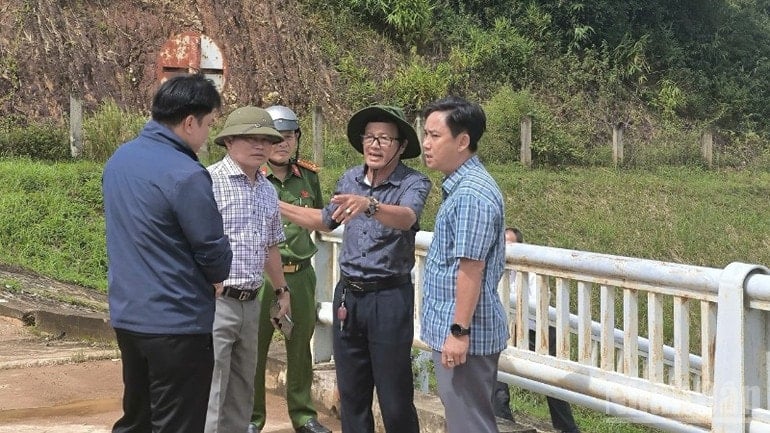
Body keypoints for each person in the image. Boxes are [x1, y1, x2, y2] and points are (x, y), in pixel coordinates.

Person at [279, 105, 431, 433]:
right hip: (349, 296)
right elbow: (324, 219)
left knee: (394, 396)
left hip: (389, 297)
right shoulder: (350, 177)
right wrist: (275, 203)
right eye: (370, 137)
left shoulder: (414, 182)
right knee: (351, 393)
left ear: (401, 146)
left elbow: (407, 217)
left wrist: (370, 205)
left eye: (384, 139)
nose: (375, 145)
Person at [103, 73, 233, 433]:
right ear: (190, 122)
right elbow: (212, 250)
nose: (208, 134)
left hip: (130, 316)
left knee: (137, 418)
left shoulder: (120, 160)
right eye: (208, 124)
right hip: (177, 321)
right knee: (177, 423)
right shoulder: (186, 174)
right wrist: (217, 272)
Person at [420, 96, 508, 433]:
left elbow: (471, 269)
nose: (426, 144)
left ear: (463, 141)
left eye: (434, 136)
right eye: (425, 134)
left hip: (463, 335)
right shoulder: (462, 187)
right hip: (460, 331)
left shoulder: (471, 195)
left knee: (470, 425)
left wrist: (458, 332)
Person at [204, 106, 292, 433]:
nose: (260, 146)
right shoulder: (209, 182)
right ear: (228, 141)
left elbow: (270, 245)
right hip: (217, 300)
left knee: (243, 386)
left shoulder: (268, 190)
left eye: (266, 140)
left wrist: (281, 289)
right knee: (212, 384)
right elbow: (193, 240)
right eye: (250, 139)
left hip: (251, 301)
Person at [249, 105, 331, 433]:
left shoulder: (308, 177)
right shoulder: (252, 177)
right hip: (262, 278)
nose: (284, 143)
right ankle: (252, 419)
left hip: (300, 275)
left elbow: (322, 220)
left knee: (300, 349)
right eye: (277, 138)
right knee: (254, 349)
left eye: (290, 136)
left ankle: (303, 416)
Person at [495, 227, 581, 433]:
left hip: (535, 331)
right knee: (495, 370)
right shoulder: (496, 268)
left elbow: (535, 307)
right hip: (508, 329)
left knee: (551, 382)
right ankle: (503, 420)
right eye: (503, 243)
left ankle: (567, 428)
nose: (507, 249)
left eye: (511, 244)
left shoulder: (532, 272)